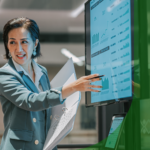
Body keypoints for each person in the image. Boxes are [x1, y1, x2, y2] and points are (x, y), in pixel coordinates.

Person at [0, 17, 102, 150]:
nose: (18, 49)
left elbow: (46, 110)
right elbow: (29, 101)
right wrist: (73, 87)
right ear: (7, 45)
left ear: (35, 43)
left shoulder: (42, 71)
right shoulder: (5, 74)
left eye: (24, 42)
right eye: (12, 42)